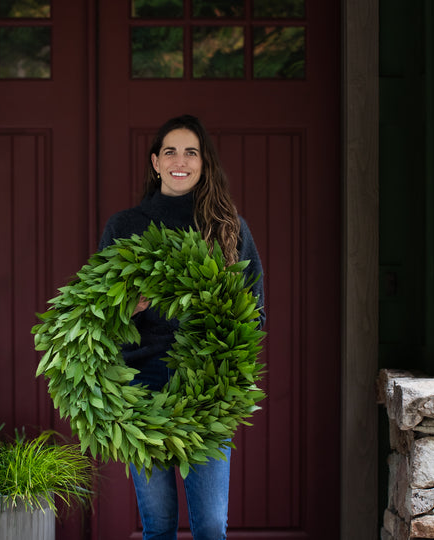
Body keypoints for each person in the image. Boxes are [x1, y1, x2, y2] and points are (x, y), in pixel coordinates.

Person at [98, 114, 265, 540]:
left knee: (210, 524)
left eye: (191, 152)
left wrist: (220, 310)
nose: (180, 160)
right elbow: (96, 313)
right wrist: (125, 308)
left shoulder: (228, 229)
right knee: (158, 524)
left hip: (208, 386)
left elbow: (256, 314)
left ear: (203, 163)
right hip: (142, 382)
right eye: (170, 151)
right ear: (155, 162)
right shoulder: (124, 227)